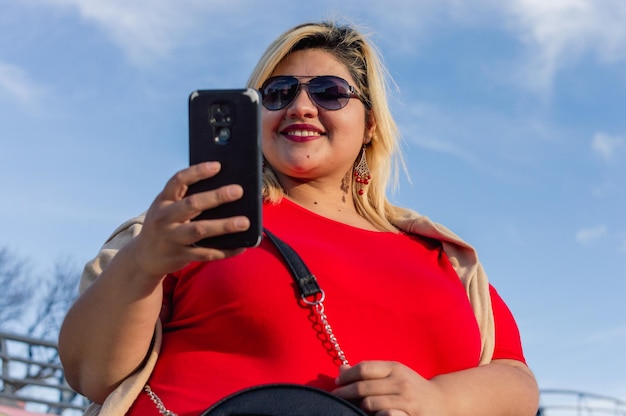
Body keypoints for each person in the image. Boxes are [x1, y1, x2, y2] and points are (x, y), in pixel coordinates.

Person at [58, 20, 539, 416]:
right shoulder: (189, 225)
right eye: (278, 92)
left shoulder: (441, 256)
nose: (301, 106)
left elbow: (516, 383)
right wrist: (144, 262)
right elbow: (90, 374)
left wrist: (439, 399)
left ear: (370, 124)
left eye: (330, 92)